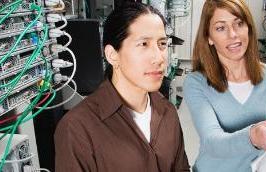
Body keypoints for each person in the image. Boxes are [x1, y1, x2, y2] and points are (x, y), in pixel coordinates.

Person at [54, 2, 190, 172]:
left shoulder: (168, 112)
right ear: (112, 55)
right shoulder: (77, 128)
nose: (159, 58)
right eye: (143, 44)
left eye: (162, 44)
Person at [183, 0, 266, 171]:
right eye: (220, 28)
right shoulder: (196, 83)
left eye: (239, 23)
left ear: (249, 28)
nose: (233, 35)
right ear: (208, 37)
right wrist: (253, 136)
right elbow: (212, 142)